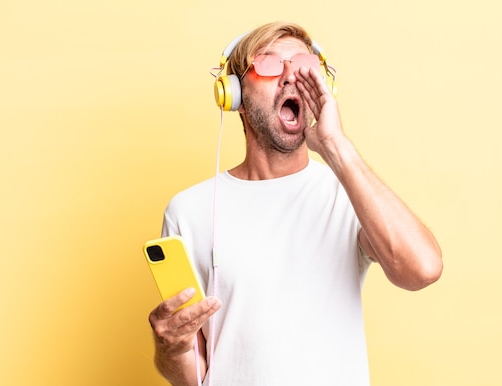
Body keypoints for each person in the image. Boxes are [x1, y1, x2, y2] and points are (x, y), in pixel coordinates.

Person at [148, 21, 443, 386]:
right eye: (270, 65)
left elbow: (423, 269)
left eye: (303, 65)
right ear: (235, 95)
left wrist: (336, 145)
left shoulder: (349, 192)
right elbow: (195, 374)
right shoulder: (188, 211)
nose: (291, 76)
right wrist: (172, 349)